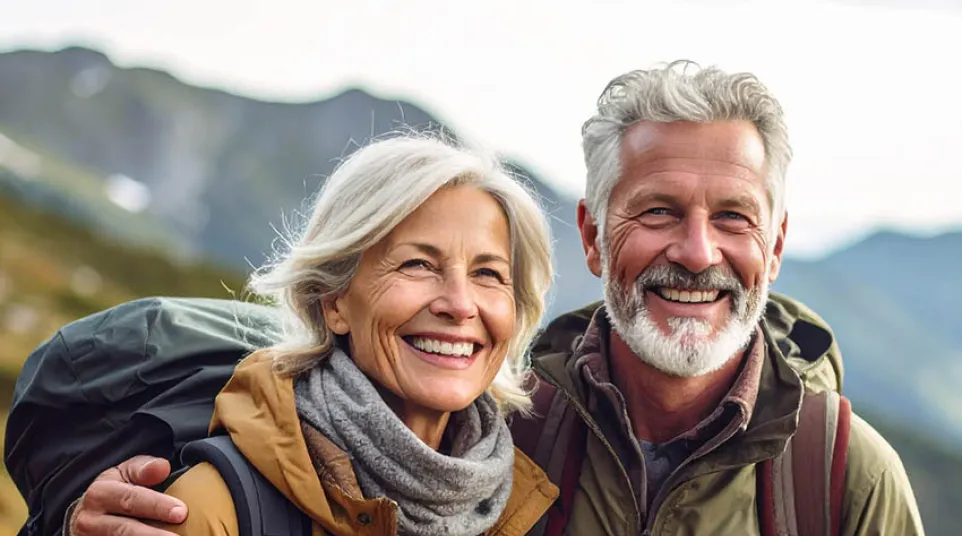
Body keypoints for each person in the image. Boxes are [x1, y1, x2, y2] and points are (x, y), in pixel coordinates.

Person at [63, 62, 924, 535]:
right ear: (593, 236)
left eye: (732, 217)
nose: (697, 252)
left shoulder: (842, 479)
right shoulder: (506, 435)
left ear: (774, 245)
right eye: (657, 212)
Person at [66, 133, 559, 536]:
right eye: (417, 264)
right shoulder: (215, 509)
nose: (459, 303)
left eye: (489, 274)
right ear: (334, 301)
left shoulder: (520, 504)